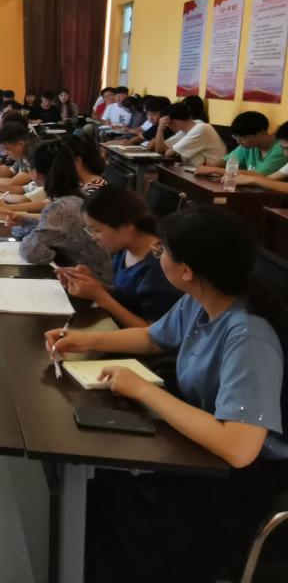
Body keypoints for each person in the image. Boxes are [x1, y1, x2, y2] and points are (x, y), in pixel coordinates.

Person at [47, 207, 288, 582]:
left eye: (163, 251)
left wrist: (143, 389)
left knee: (115, 509)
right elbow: (153, 337)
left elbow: (240, 448)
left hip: (238, 484)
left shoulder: (249, 338)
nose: (157, 256)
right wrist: (83, 340)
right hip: (203, 450)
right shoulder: (203, 299)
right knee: (103, 487)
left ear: (187, 270)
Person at [56, 185, 182, 326]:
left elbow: (154, 333)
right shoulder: (126, 249)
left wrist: (100, 296)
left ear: (126, 226)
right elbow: (125, 297)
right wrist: (91, 284)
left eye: (96, 230)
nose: (93, 237)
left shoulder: (159, 268)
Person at [6, 141, 112, 283]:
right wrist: (27, 221)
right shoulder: (75, 196)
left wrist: (51, 250)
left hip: (90, 284)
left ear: (35, 173)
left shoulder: (61, 207)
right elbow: (53, 234)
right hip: (91, 277)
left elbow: (30, 251)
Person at [195, 111, 286, 178]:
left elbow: (260, 176)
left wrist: (215, 170)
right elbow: (226, 162)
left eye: (243, 137)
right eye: (236, 137)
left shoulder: (282, 148)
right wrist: (210, 167)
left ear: (261, 133)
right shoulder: (248, 145)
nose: (238, 141)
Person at [152, 102, 227, 166]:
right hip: (199, 172)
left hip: (213, 174)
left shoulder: (200, 128)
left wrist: (169, 149)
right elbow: (160, 150)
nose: (167, 126)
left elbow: (169, 153)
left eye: (167, 123)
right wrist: (160, 129)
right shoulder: (188, 128)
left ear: (174, 121)